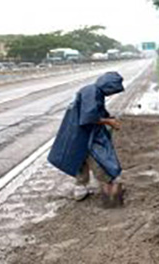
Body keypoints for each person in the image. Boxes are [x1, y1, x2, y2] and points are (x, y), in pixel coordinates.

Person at [48, 72, 124, 207]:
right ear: (109, 86)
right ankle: (111, 194)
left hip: (74, 132)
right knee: (98, 160)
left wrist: (107, 118)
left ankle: (80, 190)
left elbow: (96, 111)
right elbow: (88, 117)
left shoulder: (92, 90)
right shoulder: (92, 92)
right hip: (83, 133)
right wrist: (109, 122)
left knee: (79, 160)